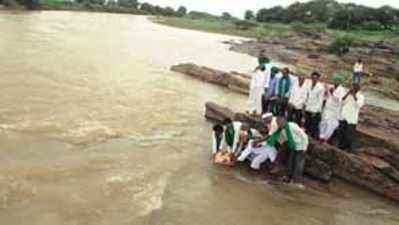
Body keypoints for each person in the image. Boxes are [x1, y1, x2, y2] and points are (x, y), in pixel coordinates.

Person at [268, 116, 309, 183]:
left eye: (280, 123)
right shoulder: (282, 129)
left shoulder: (293, 126)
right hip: (293, 146)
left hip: (301, 147)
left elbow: (304, 136)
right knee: (290, 163)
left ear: (284, 121)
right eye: (278, 123)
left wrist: (305, 147)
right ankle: (287, 177)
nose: (279, 125)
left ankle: (296, 180)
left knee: (299, 165)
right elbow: (283, 138)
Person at [319, 74, 346, 144]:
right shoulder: (331, 87)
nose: (336, 82)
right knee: (323, 122)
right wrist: (326, 92)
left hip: (334, 111)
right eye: (335, 80)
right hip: (327, 108)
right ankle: (321, 136)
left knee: (331, 125)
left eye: (338, 81)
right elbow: (327, 96)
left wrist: (333, 93)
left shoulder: (342, 90)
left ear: (340, 82)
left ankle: (325, 139)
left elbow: (340, 100)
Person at [338, 83, 365, 152]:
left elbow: (359, 104)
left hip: (352, 118)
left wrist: (353, 95)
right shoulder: (348, 95)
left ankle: (349, 148)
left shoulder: (360, 96)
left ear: (358, 89)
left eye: (353, 87)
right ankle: (341, 146)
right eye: (351, 87)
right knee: (342, 132)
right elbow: (342, 101)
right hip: (344, 116)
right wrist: (347, 94)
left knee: (349, 134)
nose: (352, 88)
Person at [304, 72, 325, 138]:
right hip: (308, 108)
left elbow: (320, 101)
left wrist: (315, 111)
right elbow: (307, 96)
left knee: (313, 127)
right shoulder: (309, 85)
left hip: (315, 111)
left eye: (316, 78)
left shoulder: (320, 88)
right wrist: (305, 105)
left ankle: (313, 139)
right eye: (313, 78)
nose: (314, 79)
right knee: (307, 124)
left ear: (318, 78)